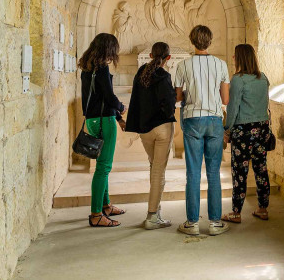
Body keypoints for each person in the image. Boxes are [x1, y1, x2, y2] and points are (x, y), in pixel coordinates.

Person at [173, 25, 230, 236]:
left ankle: (192, 223)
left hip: (192, 119)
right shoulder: (221, 64)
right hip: (214, 119)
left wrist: (191, 95)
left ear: (192, 40)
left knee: (193, 173)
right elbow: (225, 99)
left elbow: (178, 97)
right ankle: (215, 223)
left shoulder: (183, 65)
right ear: (210, 41)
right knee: (214, 173)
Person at [126, 42, 177, 230]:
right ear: (168, 58)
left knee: (153, 166)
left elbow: (137, 100)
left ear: (149, 55)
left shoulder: (141, 73)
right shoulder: (164, 76)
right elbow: (169, 105)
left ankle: (156, 210)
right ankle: (152, 215)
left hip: (144, 130)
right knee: (158, 171)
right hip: (162, 128)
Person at [77, 33, 127, 227]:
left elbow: (100, 99)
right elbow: (110, 98)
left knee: (102, 166)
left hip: (92, 120)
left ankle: (105, 205)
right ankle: (96, 214)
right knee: (104, 167)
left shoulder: (87, 68)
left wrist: (118, 118)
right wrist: (121, 108)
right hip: (104, 121)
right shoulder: (102, 69)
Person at [221, 44, 271, 223]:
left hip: (244, 131)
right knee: (261, 169)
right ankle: (263, 208)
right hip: (262, 128)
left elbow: (233, 108)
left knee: (240, 171)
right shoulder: (263, 77)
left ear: (239, 58)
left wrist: (227, 129)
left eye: (235, 56)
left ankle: (236, 212)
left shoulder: (238, 79)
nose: (233, 59)